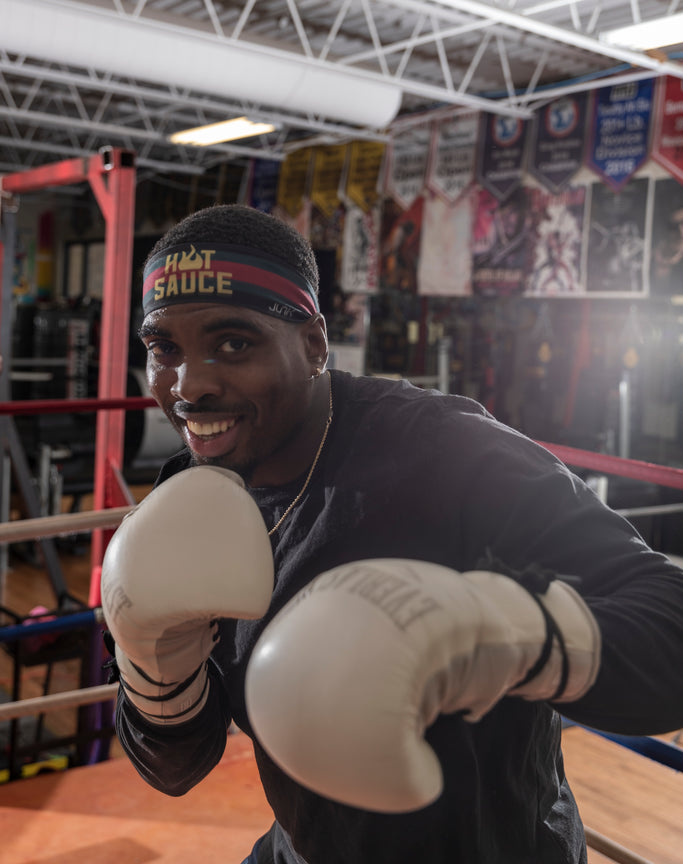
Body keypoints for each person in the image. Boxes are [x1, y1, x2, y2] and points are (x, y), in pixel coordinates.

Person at [101, 203, 683, 864]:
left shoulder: (447, 455)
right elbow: (175, 770)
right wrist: (156, 668)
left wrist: (504, 634)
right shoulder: (195, 491)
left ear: (315, 343)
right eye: (163, 349)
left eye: (234, 343)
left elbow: (671, 624)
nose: (191, 385)